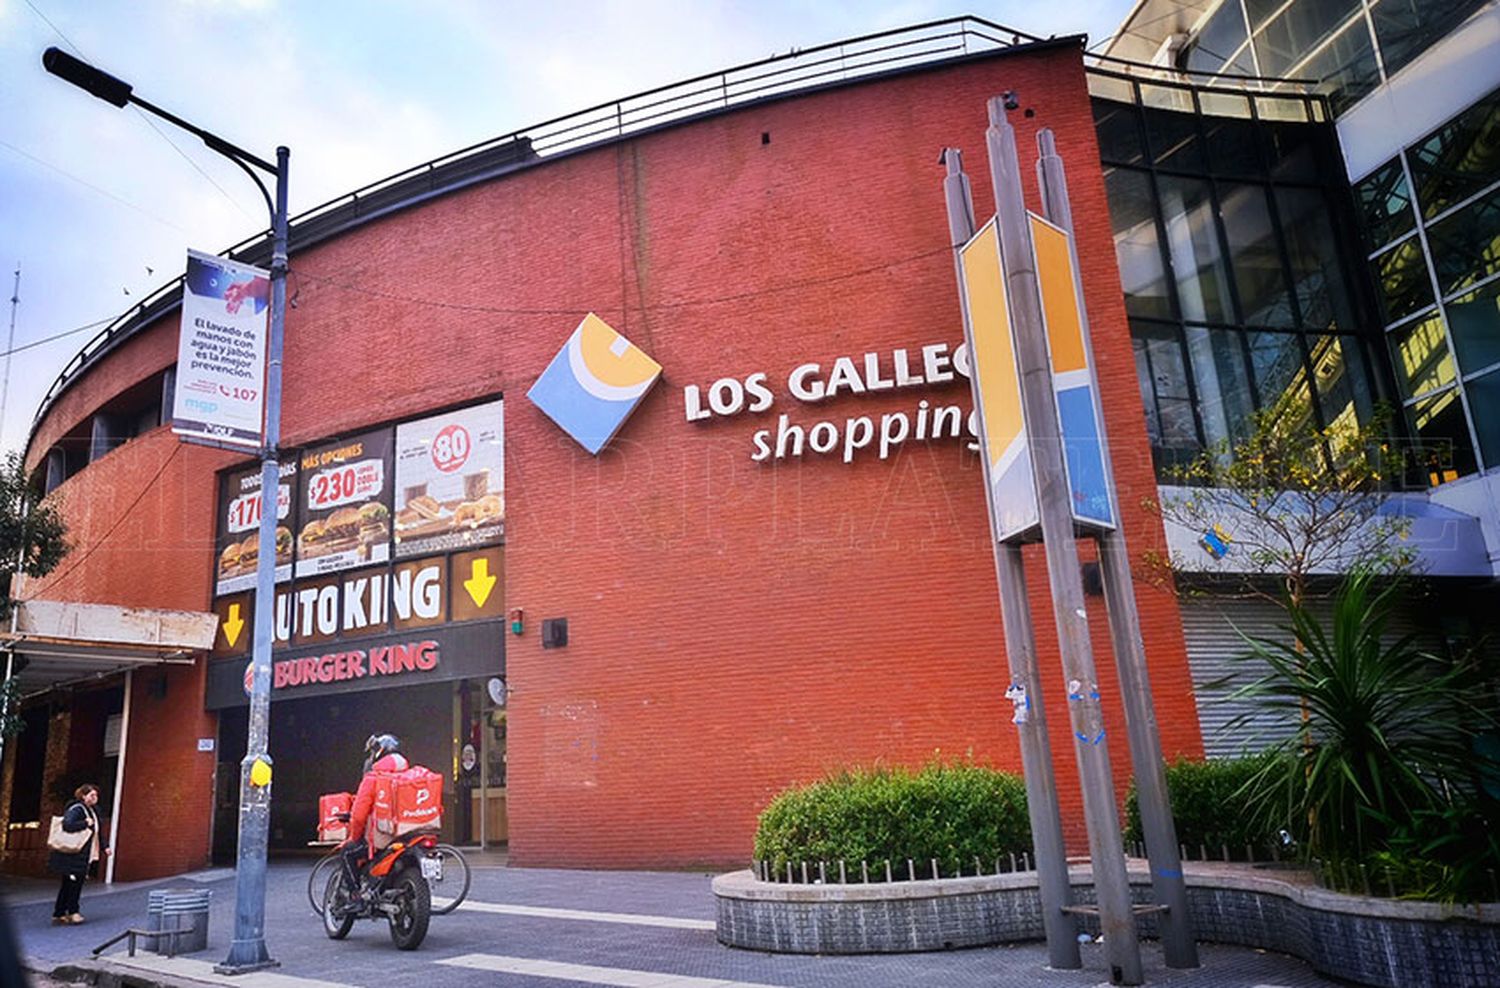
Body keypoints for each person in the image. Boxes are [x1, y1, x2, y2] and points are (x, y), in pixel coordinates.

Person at [337, 734, 409, 904]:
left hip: (381, 840)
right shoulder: (409, 776)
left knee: (347, 852)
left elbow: (359, 816)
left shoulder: (373, 777)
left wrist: (353, 837)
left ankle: (355, 896)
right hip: (407, 836)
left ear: (379, 753)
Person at [49, 783, 108, 925]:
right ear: (83, 796)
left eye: (96, 795)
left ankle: (59, 913)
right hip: (73, 854)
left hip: (82, 854)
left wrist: (105, 847)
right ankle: (73, 912)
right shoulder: (77, 809)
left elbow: (97, 832)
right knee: (74, 884)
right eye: (92, 795)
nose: (95, 798)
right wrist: (84, 823)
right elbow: (67, 825)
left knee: (69, 884)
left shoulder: (94, 811)